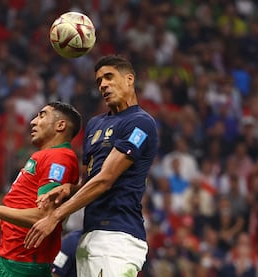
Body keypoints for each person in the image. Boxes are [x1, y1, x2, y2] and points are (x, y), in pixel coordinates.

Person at [24, 55, 159, 276]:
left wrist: (55, 216)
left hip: (118, 237)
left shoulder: (141, 122)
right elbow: (91, 181)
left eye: (109, 77)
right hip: (89, 235)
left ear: (129, 79)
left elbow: (105, 180)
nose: (103, 85)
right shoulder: (95, 124)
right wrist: (70, 188)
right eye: (99, 81)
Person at [0, 102, 82, 277]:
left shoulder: (59, 158)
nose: (33, 122)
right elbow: (18, 211)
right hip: (7, 260)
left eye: (42, 115)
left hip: (24, 266)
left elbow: (43, 217)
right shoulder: (44, 155)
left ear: (61, 125)